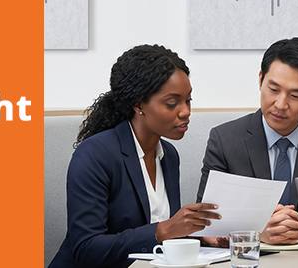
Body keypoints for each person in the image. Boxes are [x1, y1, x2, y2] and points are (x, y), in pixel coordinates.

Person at [49, 45, 221, 268]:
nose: (185, 111)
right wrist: (164, 230)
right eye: (172, 103)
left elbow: (155, 236)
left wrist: (197, 235)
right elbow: (87, 249)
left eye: (188, 100)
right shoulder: (94, 154)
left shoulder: (168, 155)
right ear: (139, 104)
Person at [197, 37, 298, 245]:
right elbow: (204, 223)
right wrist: (256, 232)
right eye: (273, 90)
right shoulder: (224, 139)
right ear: (260, 80)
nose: (280, 104)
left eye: (295, 95)